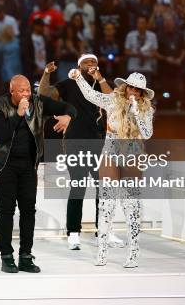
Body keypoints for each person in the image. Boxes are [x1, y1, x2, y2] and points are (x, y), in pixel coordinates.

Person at [0, 75, 77, 273]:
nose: (27, 94)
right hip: (5, 164)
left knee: (29, 210)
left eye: (28, 90)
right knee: (7, 210)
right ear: (12, 91)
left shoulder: (38, 102)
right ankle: (6, 256)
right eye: (21, 91)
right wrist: (18, 114)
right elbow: (0, 136)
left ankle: (25, 255)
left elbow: (69, 107)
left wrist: (68, 116)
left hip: (29, 165)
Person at [68, 68, 155, 268]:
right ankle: (102, 250)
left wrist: (136, 113)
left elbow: (148, 133)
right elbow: (91, 95)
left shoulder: (145, 109)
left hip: (132, 154)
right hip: (111, 153)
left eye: (138, 89)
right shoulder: (112, 101)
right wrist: (79, 77)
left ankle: (133, 251)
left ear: (142, 93)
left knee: (130, 205)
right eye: (130, 87)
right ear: (125, 87)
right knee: (106, 204)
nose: (133, 91)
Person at [38, 54, 125, 251]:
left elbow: (112, 101)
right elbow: (44, 93)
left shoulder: (103, 83)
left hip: (100, 142)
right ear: (79, 66)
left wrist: (100, 79)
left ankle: (103, 231)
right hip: (75, 142)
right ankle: (74, 233)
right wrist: (46, 73)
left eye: (94, 62)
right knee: (78, 187)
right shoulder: (68, 84)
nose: (91, 65)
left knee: (103, 189)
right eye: (87, 62)